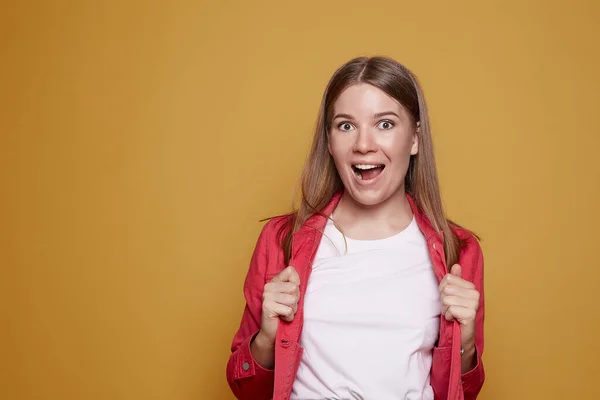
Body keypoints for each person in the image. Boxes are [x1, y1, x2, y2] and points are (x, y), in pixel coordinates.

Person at [226, 56, 485, 400]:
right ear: (330, 142)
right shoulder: (282, 241)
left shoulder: (459, 250)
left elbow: (463, 390)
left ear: (415, 140)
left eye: (385, 124)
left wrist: (464, 344)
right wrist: (267, 338)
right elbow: (246, 388)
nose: (364, 144)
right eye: (346, 126)